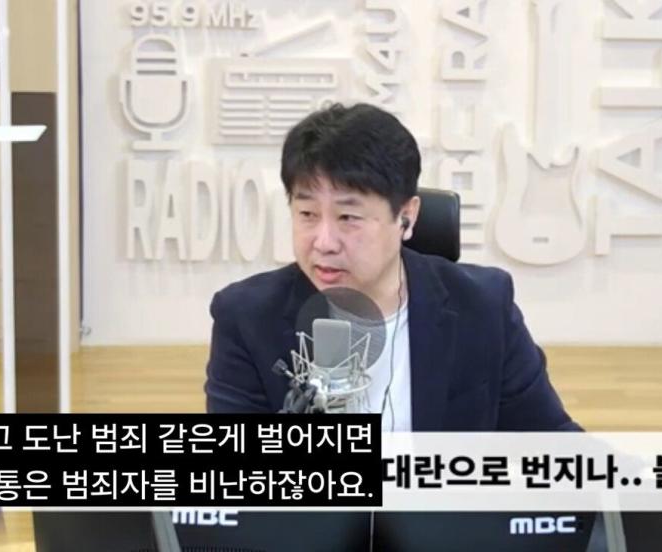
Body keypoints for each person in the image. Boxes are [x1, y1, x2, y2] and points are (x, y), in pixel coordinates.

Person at [205, 102, 579, 432]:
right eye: (307, 214)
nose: (324, 242)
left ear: (406, 216)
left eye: (348, 217)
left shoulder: (481, 305)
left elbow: (553, 443)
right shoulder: (247, 317)